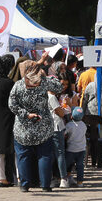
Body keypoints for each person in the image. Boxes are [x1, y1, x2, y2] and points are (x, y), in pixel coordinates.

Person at [7, 59, 61, 192]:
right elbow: (59, 86)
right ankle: (45, 185)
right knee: (45, 156)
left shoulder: (18, 85)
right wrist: (44, 76)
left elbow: (12, 105)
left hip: (23, 127)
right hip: (43, 125)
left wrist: (25, 114)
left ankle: (25, 185)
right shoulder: (43, 83)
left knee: (23, 156)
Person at [0, 55, 17, 187]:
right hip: (7, 117)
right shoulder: (7, 83)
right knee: (6, 147)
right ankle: (3, 177)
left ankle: (0, 177)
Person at [64, 106, 87, 186]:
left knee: (67, 164)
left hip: (71, 149)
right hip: (81, 149)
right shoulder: (84, 125)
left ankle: (66, 179)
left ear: (71, 116)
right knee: (80, 166)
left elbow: (64, 134)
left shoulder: (69, 125)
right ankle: (80, 182)